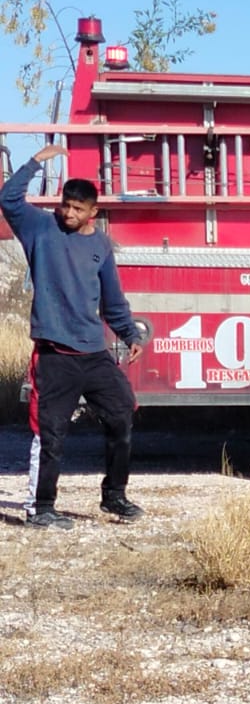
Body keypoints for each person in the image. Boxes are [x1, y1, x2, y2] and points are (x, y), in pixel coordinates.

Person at [2, 144, 145, 528]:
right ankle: (41, 507)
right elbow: (8, 197)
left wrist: (128, 332)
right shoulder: (39, 228)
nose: (68, 212)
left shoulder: (99, 244)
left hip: (93, 353)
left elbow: (111, 297)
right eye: (66, 204)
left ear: (92, 213)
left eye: (77, 208)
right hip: (54, 355)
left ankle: (114, 496)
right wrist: (35, 162)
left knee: (121, 413)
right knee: (50, 434)